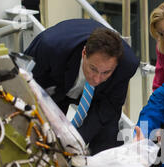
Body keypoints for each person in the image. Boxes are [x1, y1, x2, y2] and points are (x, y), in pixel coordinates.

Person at [24, 19, 139, 155]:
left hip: (100, 99)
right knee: (42, 137)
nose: (96, 79)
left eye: (106, 72)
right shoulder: (50, 47)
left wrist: (76, 142)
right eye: (93, 68)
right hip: (56, 87)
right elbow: (26, 83)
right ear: (84, 53)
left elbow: (108, 108)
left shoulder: (127, 65)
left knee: (106, 142)